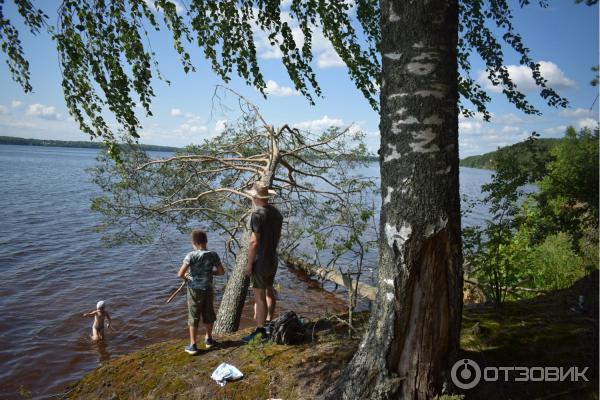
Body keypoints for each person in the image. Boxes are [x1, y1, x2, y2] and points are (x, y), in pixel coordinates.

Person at [242, 182, 283, 343]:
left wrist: (249, 264)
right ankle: (268, 324)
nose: (251, 196)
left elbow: (254, 243)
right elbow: (277, 236)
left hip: (261, 261)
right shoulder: (277, 213)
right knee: (269, 290)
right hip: (273, 258)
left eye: (253, 195)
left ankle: (260, 331)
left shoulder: (257, 215)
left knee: (259, 296)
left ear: (256, 197)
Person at [178, 229, 225, 355]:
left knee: (193, 315)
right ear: (206, 241)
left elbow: (180, 274)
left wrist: (187, 277)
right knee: (208, 313)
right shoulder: (213, 255)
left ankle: (193, 345)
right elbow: (221, 272)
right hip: (208, 289)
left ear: (194, 243)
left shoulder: (190, 255)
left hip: (194, 290)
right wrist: (210, 273)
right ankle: (209, 340)